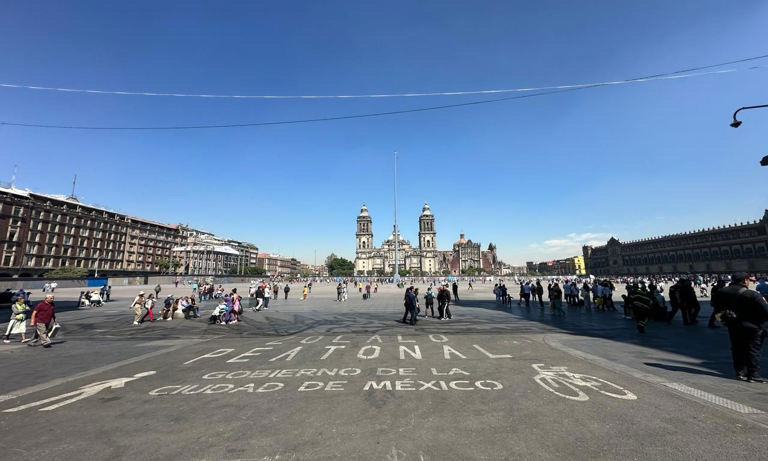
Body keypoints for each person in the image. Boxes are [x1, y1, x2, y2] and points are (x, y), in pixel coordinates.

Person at [718, 272, 768, 382]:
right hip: (753, 326)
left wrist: (725, 321)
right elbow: (765, 310)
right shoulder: (752, 294)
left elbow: (717, 308)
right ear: (745, 280)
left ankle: (739, 372)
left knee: (737, 348)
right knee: (753, 350)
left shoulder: (722, 292)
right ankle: (753, 373)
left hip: (733, 325)